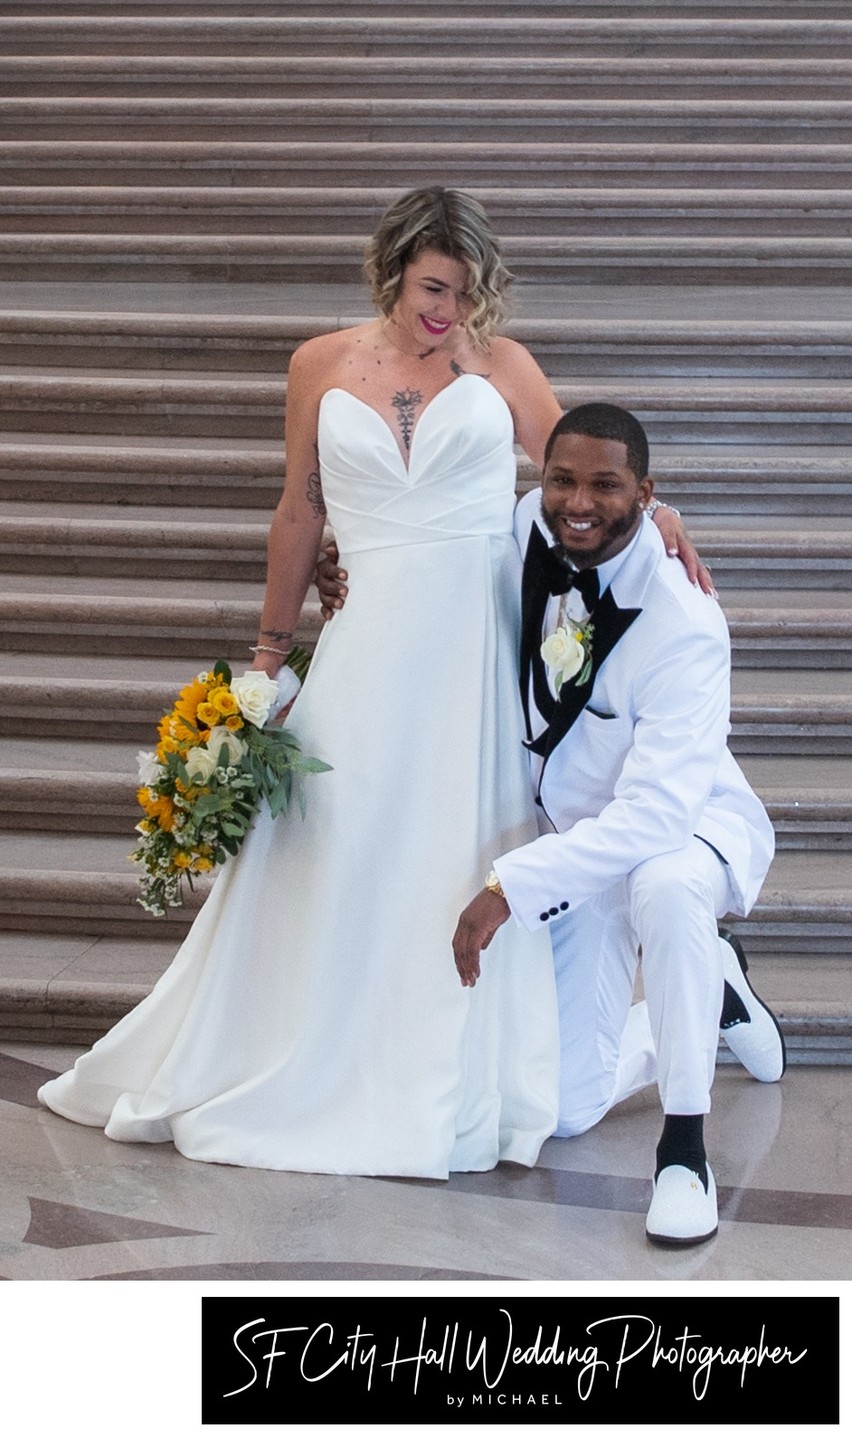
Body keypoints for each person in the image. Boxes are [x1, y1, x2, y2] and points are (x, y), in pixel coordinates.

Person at [37, 189, 700, 1179]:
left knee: (448, 847)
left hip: (476, 648)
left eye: (468, 295)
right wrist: (268, 657)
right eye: (434, 289)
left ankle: (442, 1056)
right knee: (334, 839)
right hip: (363, 635)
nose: (448, 314)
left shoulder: (503, 365)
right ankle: (315, 1048)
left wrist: (660, 512)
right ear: (392, 268)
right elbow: (299, 511)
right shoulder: (318, 364)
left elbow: (583, 473)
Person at [452, 402, 785, 1245]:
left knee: (670, 889)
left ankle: (684, 1151)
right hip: (579, 846)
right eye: (563, 479)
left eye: (607, 485)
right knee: (564, 1110)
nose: (579, 501)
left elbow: (656, 816)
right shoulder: (532, 528)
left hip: (682, 827)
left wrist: (507, 885)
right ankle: (713, 997)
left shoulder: (687, 622)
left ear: (647, 492)